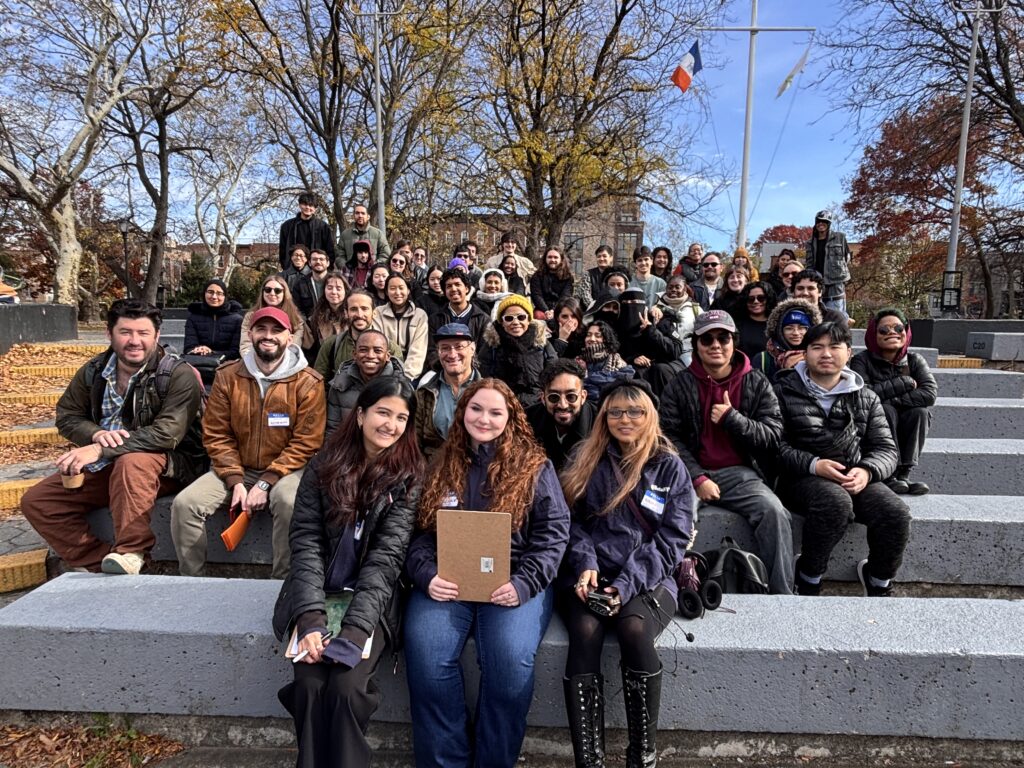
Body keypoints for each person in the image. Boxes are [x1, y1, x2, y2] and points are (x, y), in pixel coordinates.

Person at [403, 379, 571, 768]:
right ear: (462, 412)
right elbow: (418, 534)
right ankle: (446, 761)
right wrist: (427, 574)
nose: (485, 418)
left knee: (509, 662)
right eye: (476, 408)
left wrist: (525, 583)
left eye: (496, 411)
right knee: (428, 657)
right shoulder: (442, 462)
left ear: (510, 417)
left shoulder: (534, 466)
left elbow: (554, 535)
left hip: (513, 581)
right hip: (448, 580)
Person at [273, 377, 424, 768]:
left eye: (401, 418)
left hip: (370, 602)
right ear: (360, 415)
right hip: (318, 593)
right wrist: (309, 619)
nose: (390, 424)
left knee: (344, 687)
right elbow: (305, 543)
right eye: (383, 413)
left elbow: (386, 560)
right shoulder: (323, 466)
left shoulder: (409, 477)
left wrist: (356, 632)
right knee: (308, 685)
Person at [559, 379, 693, 768]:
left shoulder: (669, 466)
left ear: (650, 416)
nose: (624, 418)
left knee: (635, 630)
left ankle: (642, 755)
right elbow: (568, 523)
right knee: (585, 632)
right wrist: (586, 564)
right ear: (603, 415)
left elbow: (673, 539)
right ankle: (590, 759)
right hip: (590, 573)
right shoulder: (586, 459)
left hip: (649, 573)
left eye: (635, 411)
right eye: (615, 411)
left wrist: (624, 584)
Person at [21, 300, 205, 575]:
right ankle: (105, 563)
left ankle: (132, 551)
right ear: (110, 334)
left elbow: (168, 433)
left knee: (132, 462)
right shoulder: (94, 371)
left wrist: (99, 450)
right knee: (38, 501)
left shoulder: (177, 374)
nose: (134, 341)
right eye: (125, 332)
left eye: (143, 333)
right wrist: (95, 434)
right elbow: (67, 415)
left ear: (157, 335)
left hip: (169, 464)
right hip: (109, 466)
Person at [171, 306, 325, 579]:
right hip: (234, 466)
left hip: (287, 470)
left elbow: (306, 442)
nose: (269, 336)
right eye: (261, 329)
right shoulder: (228, 375)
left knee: (289, 503)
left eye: (277, 330)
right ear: (251, 333)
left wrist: (266, 482)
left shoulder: (308, 382)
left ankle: (281, 584)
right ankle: (191, 580)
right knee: (185, 504)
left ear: (289, 337)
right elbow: (216, 433)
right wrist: (235, 480)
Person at [660, 310, 794, 594]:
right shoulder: (679, 384)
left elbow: (772, 436)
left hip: (741, 474)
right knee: (666, 514)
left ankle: (782, 594)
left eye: (723, 337)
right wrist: (696, 478)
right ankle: (667, 588)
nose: (715, 344)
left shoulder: (756, 382)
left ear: (734, 342)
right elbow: (667, 438)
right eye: (706, 338)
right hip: (689, 474)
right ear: (696, 344)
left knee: (774, 512)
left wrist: (734, 419)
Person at [774, 322, 910, 597]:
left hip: (855, 474)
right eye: (817, 347)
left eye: (835, 347)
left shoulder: (866, 397)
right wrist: (814, 464)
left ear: (848, 353)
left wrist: (867, 471)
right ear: (805, 353)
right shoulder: (781, 391)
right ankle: (809, 576)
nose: (826, 353)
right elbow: (773, 446)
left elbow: (886, 449)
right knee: (835, 502)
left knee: (895, 513)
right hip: (801, 476)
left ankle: (878, 579)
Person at [850, 308, 937, 495]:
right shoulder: (861, 361)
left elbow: (929, 394)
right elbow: (863, 395)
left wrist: (892, 398)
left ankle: (904, 473)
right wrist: (903, 383)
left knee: (920, 412)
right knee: (885, 410)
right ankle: (888, 473)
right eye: (883, 330)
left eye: (898, 328)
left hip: (904, 418)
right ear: (874, 335)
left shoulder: (915, 360)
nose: (892, 333)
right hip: (873, 424)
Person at [414, 323, 481, 459]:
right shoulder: (425, 393)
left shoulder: (487, 392)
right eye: (445, 348)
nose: (452, 354)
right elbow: (415, 442)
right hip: (433, 471)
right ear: (438, 352)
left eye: (459, 346)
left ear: (472, 349)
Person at [479, 295, 557, 408]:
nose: (515, 322)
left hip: (538, 406)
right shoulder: (492, 345)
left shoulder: (541, 343)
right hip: (502, 406)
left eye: (521, 317)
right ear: (501, 322)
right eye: (509, 318)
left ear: (529, 319)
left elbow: (553, 373)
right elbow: (484, 378)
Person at [605, 288, 683, 397]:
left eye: (637, 303)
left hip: (664, 367)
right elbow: (614, 350)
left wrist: (651, 330)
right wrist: (632, 359)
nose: (632, 307)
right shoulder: (617, 325)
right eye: (627, 303)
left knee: (660, 370)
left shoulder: (659, 320)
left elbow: (675, 350)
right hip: (636, 369)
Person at [326, 329, 407, 435]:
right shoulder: (340, 385)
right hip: (348, 448)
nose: (370, 356)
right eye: (363, 350)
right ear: (354, 354)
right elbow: (333, 431)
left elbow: (405, 434)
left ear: (387, 356)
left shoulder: (401, 388)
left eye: (377, 351)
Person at [315, 290, 401, 384]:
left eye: (364, 309)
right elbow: (318, 383)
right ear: (346, 313)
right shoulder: (332, 345)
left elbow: (398, 385)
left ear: (374, 313)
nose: (359, 315)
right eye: (353, 309)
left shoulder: (390, 347)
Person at [526, 359, 597, 472]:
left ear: (583, 397)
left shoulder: (600, 422)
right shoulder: (527, 421)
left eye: (571, 396)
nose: (563, 405)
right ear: (543, 398)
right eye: (554, 397)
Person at [425, 269, 491, 369]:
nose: (453, 289)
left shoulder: (483, 319)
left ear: (467, 288)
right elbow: (432, 351)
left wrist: (466, 369)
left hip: (474, 372)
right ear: (444, 292)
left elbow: (484, 353)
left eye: (457, 284)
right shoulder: (435, 319)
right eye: (449, 286)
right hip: (443, 370)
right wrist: (447, 367)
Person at [371, 273, 429, 379]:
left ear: (408, 290)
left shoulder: (420, 315)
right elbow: (377, 344)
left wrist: (406, 377)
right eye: (392, 288)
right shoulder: (378, 313)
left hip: (412, 374)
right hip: (383, 371)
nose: (397, 293)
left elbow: (418, 351)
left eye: (401, 288)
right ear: (387, 292)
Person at [753, 298, 821, 382]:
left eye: (802, 328)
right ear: (779, 331)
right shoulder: (763, 360)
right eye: (789, 328)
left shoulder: (819, 357)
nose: (796, 333)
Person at [240, 275, 305, 357]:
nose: (272, 293)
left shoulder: (295, 318)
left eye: (277, 291)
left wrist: (276, 363)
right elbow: (245, 345)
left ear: (284, 293)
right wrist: (256, 362)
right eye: (268, 290)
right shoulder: (250, 316)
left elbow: (294, 346)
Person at [183, 278, 244, 362]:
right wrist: (198, 350)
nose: (214, 297)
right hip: (199, 363)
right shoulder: (193, 318)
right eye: (210, 292)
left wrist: (211, 352)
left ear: (225, 296)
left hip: (227, 365)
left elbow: (236, 352)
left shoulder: (237, 320)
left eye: (219, 293)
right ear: (204, 294)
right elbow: (188, 348)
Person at [804, 210, 852, 317]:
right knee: (816, 314)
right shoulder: (809, 242)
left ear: (829, 223)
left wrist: (839, 272)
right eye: (819, 221)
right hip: (817, 282)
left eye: (824, 221)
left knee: (836, 314)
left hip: (836, 282)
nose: (821, 224)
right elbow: (809, 263)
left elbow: (847, 256)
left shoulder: (839, 237)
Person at [580, 320, 635, 403]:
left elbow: (627, 377)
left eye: (598, 336)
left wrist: (589, 377)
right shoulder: (579, 362)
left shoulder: (615, 360)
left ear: (606, 339)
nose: (592, 339)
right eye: (588, 335)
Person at [654, 275, 702, 366]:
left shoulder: (695, 308)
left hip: (689, 352)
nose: (673, 290)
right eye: (670, 287)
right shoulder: (657, 308)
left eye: (677, 287)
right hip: (664, 353)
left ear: (684, 289)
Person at [279, 192, 335, 270]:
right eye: (305, 204)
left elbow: (330, 250)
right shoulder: (287, 226)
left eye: (311, 205)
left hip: (315, 269)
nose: (308, 207)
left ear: (315, 209)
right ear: (299, 205)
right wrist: (286, 267)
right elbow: (282, 250)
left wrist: (327, 269)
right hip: (292, 269)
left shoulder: (323, 226)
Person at [303, 271, 349, 365]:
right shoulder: (314, 319)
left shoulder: (352, 316)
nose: (334, 292)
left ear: (345, 291)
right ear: (324, 290)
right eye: (330, 288)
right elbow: (309, 351)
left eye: (338, 288)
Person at [733, 281, 776, 360]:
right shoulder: (737, 325)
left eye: (761, 298)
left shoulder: (777, 324)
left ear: (768, 299)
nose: (756, 302)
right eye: (750, 299)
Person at [530, 246, 574, 320]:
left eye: (555, 257)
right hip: (542, 309)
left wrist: (554, 310)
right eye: (550, 257)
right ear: (545, 259)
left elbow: (565, 296)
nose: (552, 260)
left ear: (561, 259)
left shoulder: (568, 277)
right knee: (539, 316)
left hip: (561, 307)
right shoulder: (537, 276)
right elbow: (537, 296)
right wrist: (546, 311)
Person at [292, 248, 332, 321]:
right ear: (310, 263)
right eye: (314, 259)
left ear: (328, 263)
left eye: (321, 259)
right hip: (310, 325)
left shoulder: (337, 282)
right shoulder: (300, 285)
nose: (318, 262)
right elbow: (297, 309)